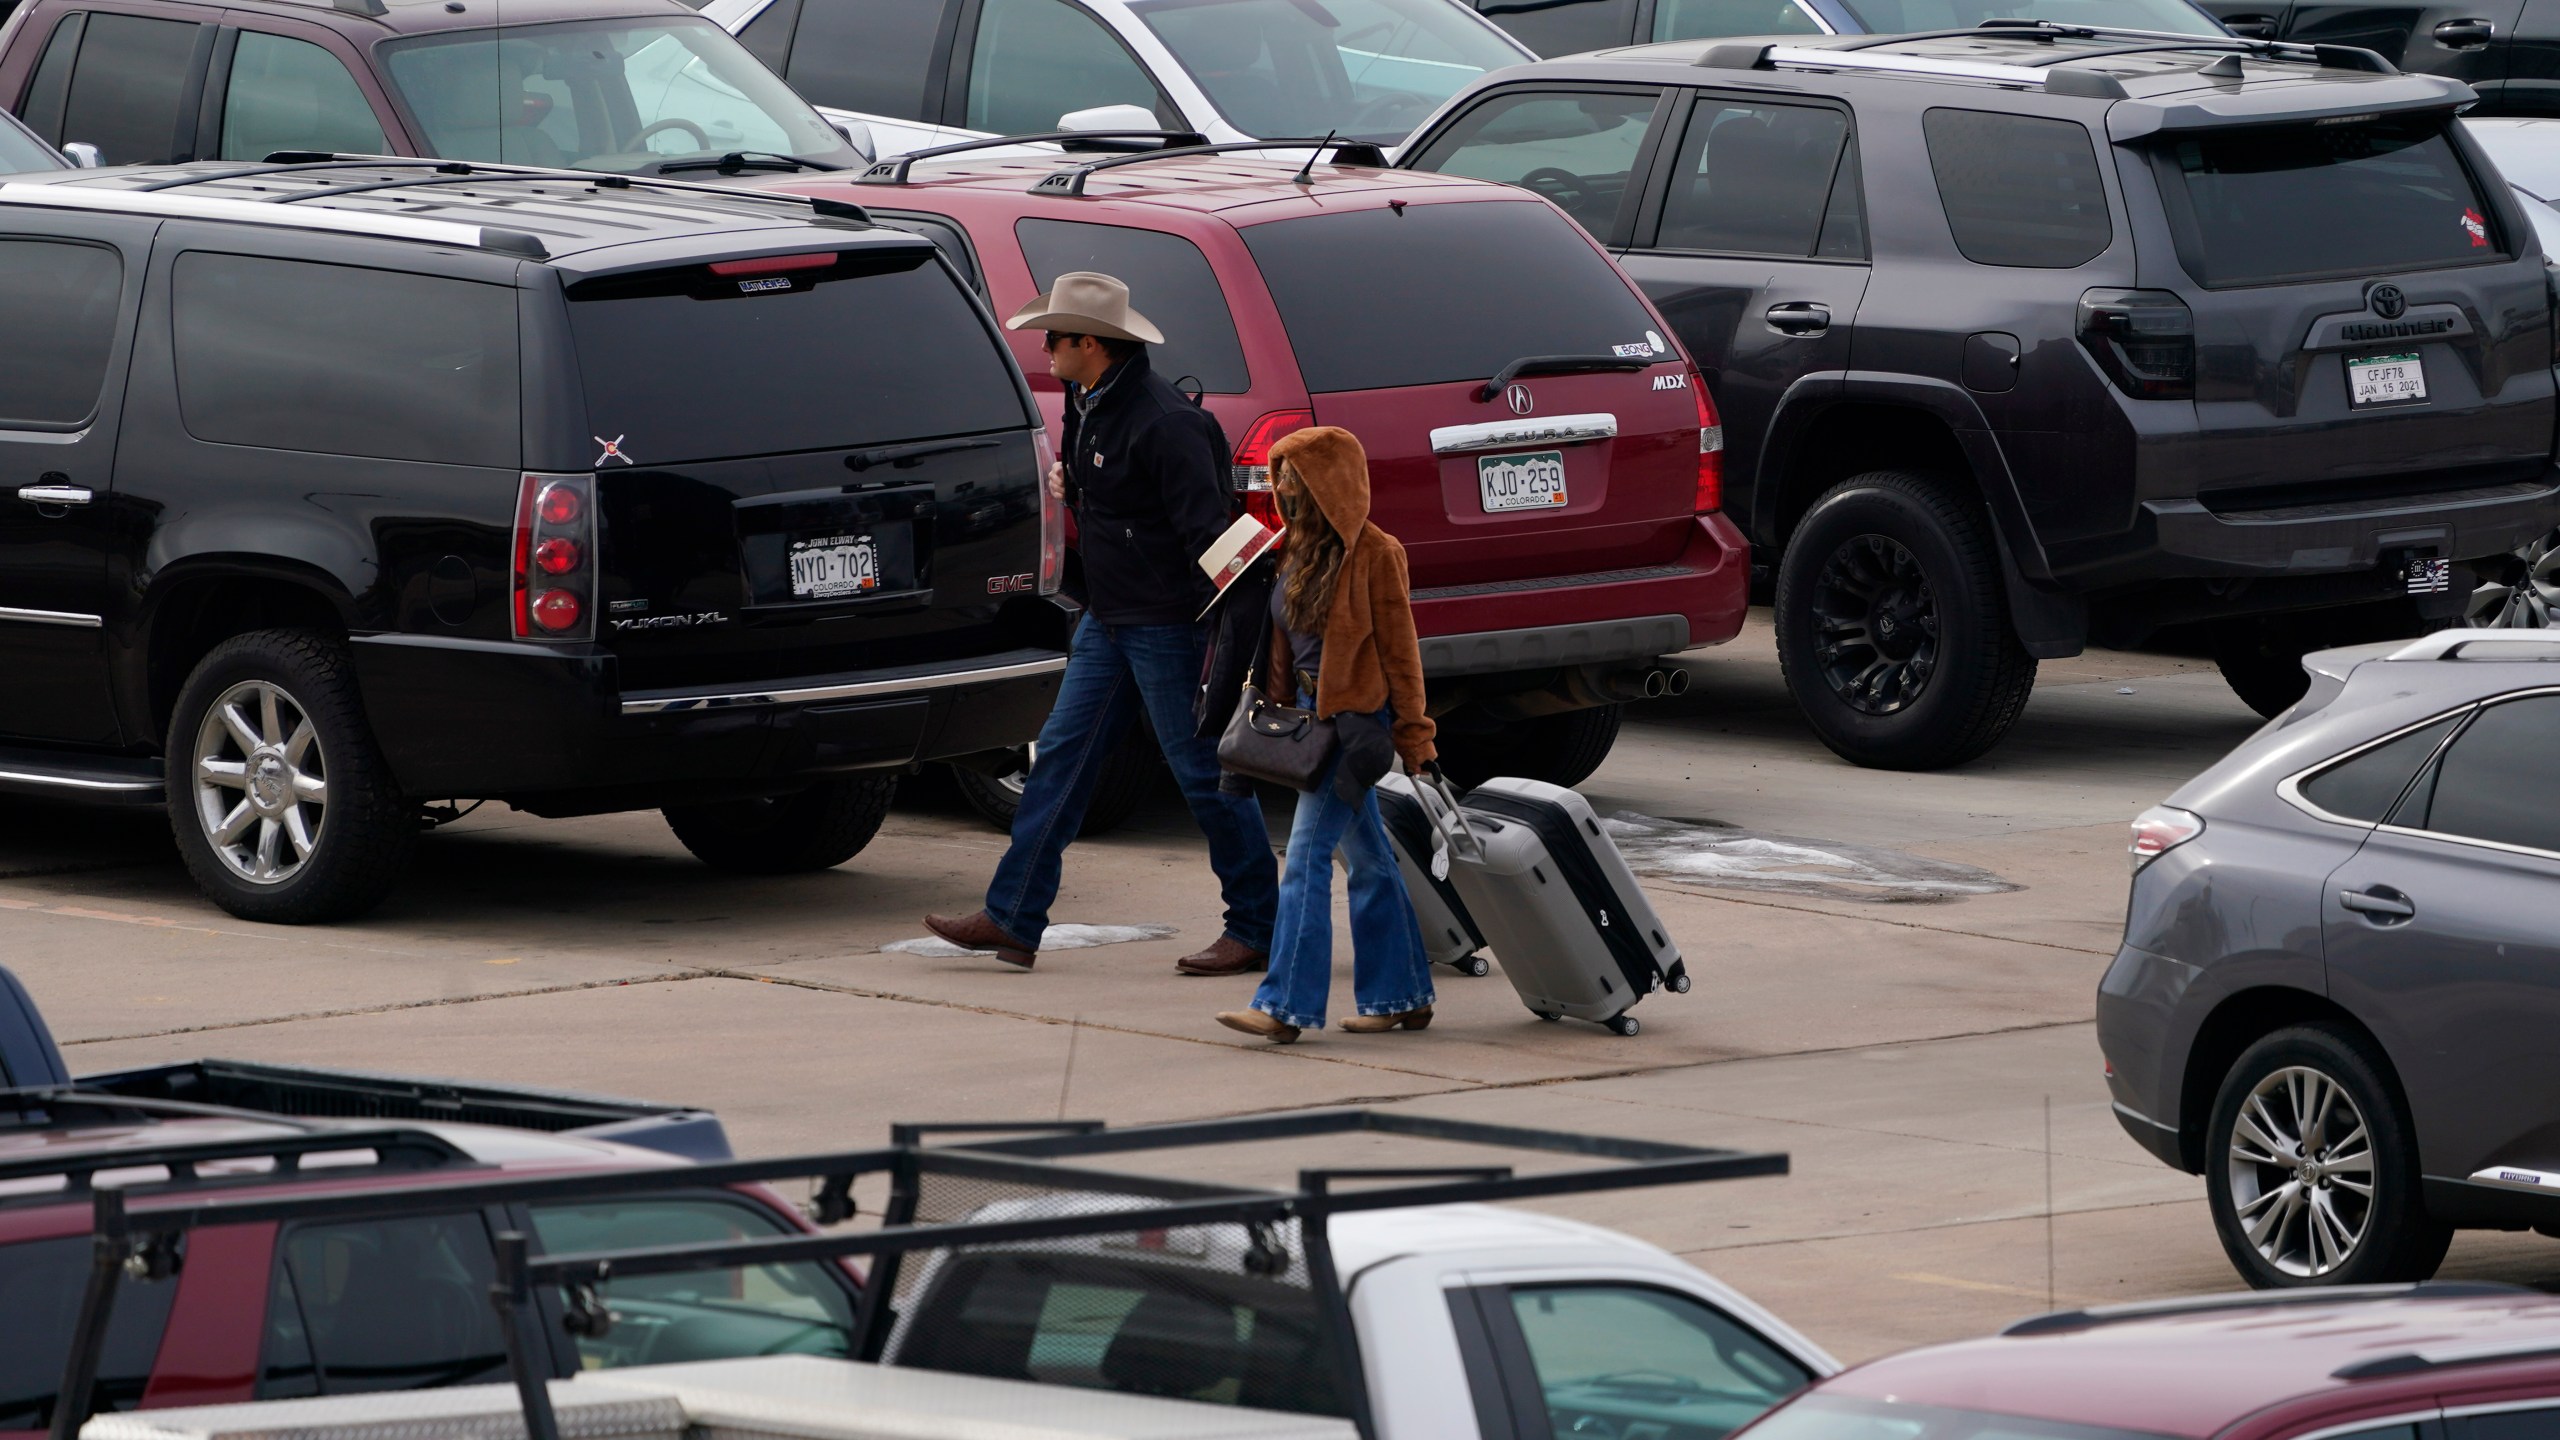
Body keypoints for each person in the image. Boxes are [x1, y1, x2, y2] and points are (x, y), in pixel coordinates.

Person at [925, 272, 1278, 974]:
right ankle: (1014, 917)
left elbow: (1208, 531)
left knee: (1203, 773)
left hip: (1168, 626)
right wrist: (1073, 486)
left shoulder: (1167, 421)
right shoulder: (1085, 400)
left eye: (1054, 338)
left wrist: (1239, 623)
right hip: (1109, 621)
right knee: (1058, 761)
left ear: (1092, 343)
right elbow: (1113, 498)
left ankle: (1257, 926)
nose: (1044, 349)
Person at [1215, 428, 1437, 1043]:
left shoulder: (1377, 553)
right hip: (1308, 724)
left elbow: (1401, 653)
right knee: (1368, 861)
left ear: (1327, 484)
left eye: (1292, 476)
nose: (1282, 486)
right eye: (1280, 474)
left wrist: (1415, 737)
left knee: (1306, 859)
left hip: (1352, 726)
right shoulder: (1292, 550)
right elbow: (1281, 646)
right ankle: (1404, 994)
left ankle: (1284, 1004)